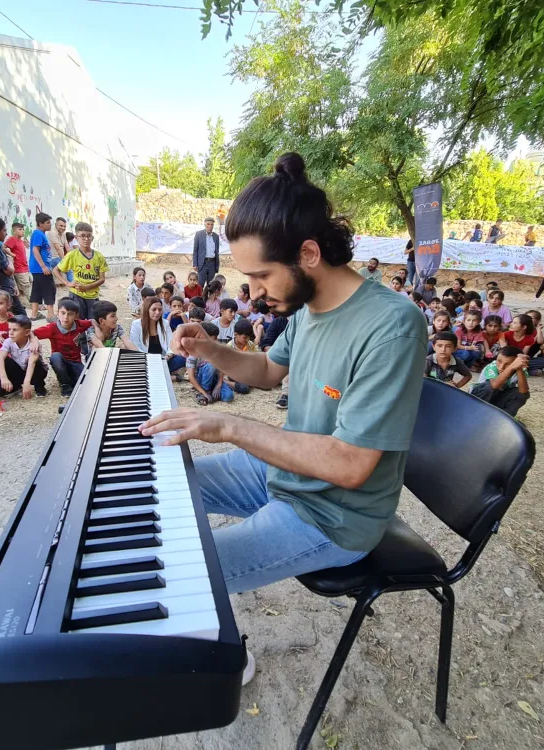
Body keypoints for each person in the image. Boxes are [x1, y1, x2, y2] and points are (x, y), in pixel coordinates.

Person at [138, 152, 428, 689]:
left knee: (185, 570)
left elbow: (350, 466)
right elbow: (269, 370)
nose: (253, 292)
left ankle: (225, 656)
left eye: (261, 275)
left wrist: (230, 426)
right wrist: (211, 349)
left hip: (333, 515)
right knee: (165, 483)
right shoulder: (311, 308)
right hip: (285, 475)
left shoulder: (391, 326)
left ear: (308, 253)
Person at [34, 297, 93, 397]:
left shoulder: (79, 325)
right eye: (63, 313)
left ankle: (70, 379)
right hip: (61, 361)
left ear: (76, 316)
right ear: (58, 313)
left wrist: (97, 332)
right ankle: (65, 385)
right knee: (56, 357)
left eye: (70, 314)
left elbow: (93, 321)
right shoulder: (52, 328)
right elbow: (31, 333)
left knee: (85, 383)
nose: (66, 317)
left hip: (76, 362)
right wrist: (34, 341)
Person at [56, 222, 108, 320]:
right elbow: (56, 270)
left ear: (92, 237)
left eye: (89, 236)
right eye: (82, 236)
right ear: (76, 237)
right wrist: (67, 283)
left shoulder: (99, 256)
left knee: (92, 322)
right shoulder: (72, 255)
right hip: (76, 294)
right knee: (77, 322)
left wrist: (88, 287)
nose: (86, 239)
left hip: (92, 296)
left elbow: (102, 279)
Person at [129, 296, 186, 374]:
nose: (157, 312)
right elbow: (136, 347)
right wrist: (150, 359)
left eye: (160, 309)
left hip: (163, 359)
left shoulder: (165, 323)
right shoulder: (136, 325)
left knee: (182, 357)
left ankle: (155, 372)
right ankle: (161, 373)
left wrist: (168, 356)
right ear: (147, 310)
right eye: (154, 309)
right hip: (145, 360)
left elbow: (171, 344)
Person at [0, 315, 48, 399]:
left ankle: (39, 387)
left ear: (27, 332)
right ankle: (16, 386)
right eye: (9, 329)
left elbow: (32, 362)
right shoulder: (8, 341)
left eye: (15, 330)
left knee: (35, 361)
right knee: (5, 359)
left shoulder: (33, 344)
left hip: (35, 372)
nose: (10, 333)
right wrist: (4, 378)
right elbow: (0, 357)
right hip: (20, 371)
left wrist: (27, 383)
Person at [471, 346, 530, 416]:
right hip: (477, 398)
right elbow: (494, 385)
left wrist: (519, 368)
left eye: (508, 364)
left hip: (496, 399)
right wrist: (511, 367)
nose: (501, 367)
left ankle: (504, 417)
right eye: (499, 361)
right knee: (490, 387)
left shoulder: (520, 370)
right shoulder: (492, 366)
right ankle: (475, 412)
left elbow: (523, 391)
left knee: (523, 394)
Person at [0, 215, 26, 316]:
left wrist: (14, 286)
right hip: (3, 289)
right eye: (4, 230)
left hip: (9, 286)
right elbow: (9, 270)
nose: (6, 233)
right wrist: (10, 259)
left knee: (17, 317)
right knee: (20, 317)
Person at [29, 212, 56, 321]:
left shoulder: (39, 234)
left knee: (37, 290)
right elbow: (35, 250)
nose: (50, 225)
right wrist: (43, 266)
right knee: (49, 289)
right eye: (48, 223)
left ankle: (34, 314)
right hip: (41, 269)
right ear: (41, 224)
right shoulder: (39, 234)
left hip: (37, 269)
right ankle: (51, 315)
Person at [5, 221, 31, 305]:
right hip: (19, 268)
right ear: (14, 231)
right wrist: (12, 254)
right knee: (26, 286)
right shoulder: (12, 239)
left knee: (28, 285)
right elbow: (5, 247)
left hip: (25, 267)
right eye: (20, 229)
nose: (22, 231)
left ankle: (23, 303)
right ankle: (34, 304)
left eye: (23, 229)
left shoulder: (21, 241)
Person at [193, 217, 220, 287]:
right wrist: (195, 264)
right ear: (205, 224)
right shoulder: (199, 234)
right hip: (202, 263)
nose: (210, 226)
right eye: (208, 224)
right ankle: (199, 298)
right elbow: (195, 250)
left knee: (210, 285)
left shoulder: (216, 236)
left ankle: (208, 298)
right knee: (200, 284)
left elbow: (217, 251)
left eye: (211, 224)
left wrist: (217, 265)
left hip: (212, 263)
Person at [48, 217, 74, 282]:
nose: (63, 228)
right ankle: (76, 287)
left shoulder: (64, 234)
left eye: (64, 226)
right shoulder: (52, 233)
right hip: (53, 258)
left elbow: (67, 247)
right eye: (61, 226)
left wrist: (73, 257)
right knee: (69, 270)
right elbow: (58, 249)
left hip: (60, 257)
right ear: (56, 224)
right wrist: (65, 260)